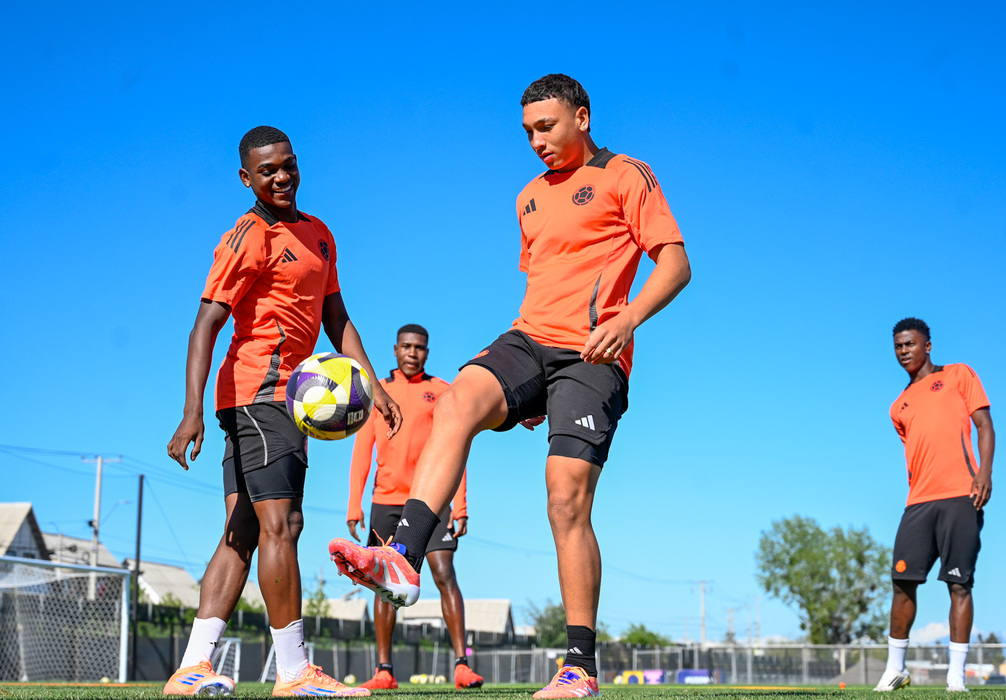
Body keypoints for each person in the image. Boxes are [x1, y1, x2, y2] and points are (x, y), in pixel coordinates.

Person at [328, 74, 691, 699]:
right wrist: (523, 388)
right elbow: (542, 283)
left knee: (564, 499)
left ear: (582, 117)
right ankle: (403, 559)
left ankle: (578, 668)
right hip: (528, 341)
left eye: (546, 127)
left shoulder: (626, 175)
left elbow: (676, 263)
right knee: (458, 399)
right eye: (527, 132)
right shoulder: (527, 197)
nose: (536, 141)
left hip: (592, 353)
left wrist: (628, 319)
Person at [164, 126, 400, 697]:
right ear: (246, 178)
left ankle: (191, 668)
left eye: (288, 165)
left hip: (280, 400)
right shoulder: (248, 236)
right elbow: (206, 324)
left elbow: (336, 318)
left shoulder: (320, 234)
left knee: (242, 530)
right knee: (284, 524)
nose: (281, 177)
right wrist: (191, 411)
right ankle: (294, 672)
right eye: (267, 170)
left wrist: (373, 384)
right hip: (261, 393)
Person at [346, 324, 485, 691]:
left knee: (444, 573)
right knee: (382, 583)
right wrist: (354, 505)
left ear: (427, 352)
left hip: (432, 501)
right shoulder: (377, 392)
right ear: (395, 349)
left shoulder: (442, 392)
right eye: (406, 346)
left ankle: (462, 666)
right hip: (385, 501)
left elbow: (456, 449)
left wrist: (460, 504)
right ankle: (384, 671)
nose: (412, 353)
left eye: (419, 347)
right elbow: (362, 451)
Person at [875, 317, 994, 693]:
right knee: (901, 582)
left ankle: (956, 676)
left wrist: (984, 473)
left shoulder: (958, 375)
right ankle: (895, 670)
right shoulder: (898, 406)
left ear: (927, 345)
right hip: (919, 503)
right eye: (898, 346)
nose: (903, 351)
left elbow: (984, 425)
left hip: (961, 495)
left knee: (959, 584)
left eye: (909, 344)